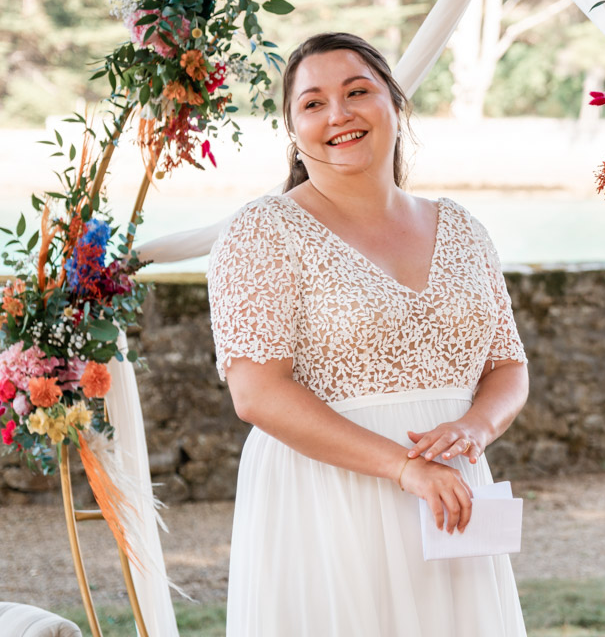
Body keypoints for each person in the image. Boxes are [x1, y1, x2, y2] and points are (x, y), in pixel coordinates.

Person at [207, 32, 530, 636]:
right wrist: (403, 469)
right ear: (292, 130)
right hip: (327, 501)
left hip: (452, 497)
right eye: (313, 102)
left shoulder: (461, 227)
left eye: (358, 92)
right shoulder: (263, 231)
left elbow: (507, 367)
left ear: (396, 105)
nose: (339, 114)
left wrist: (476, 425)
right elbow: (256, 394)